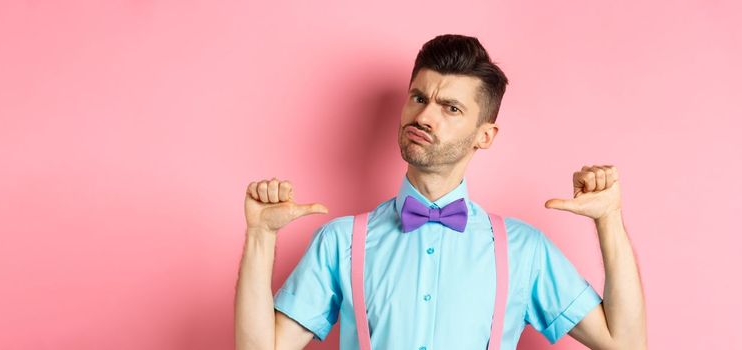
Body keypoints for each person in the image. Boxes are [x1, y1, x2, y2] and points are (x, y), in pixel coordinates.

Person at [235, 34, 647, 350]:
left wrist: (609, 220)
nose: (424, 115)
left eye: (451, 108)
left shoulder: (524, 249)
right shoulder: (341, 241)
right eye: (418, 97)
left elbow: (624, 343)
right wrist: (260, 236)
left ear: (485, 136)